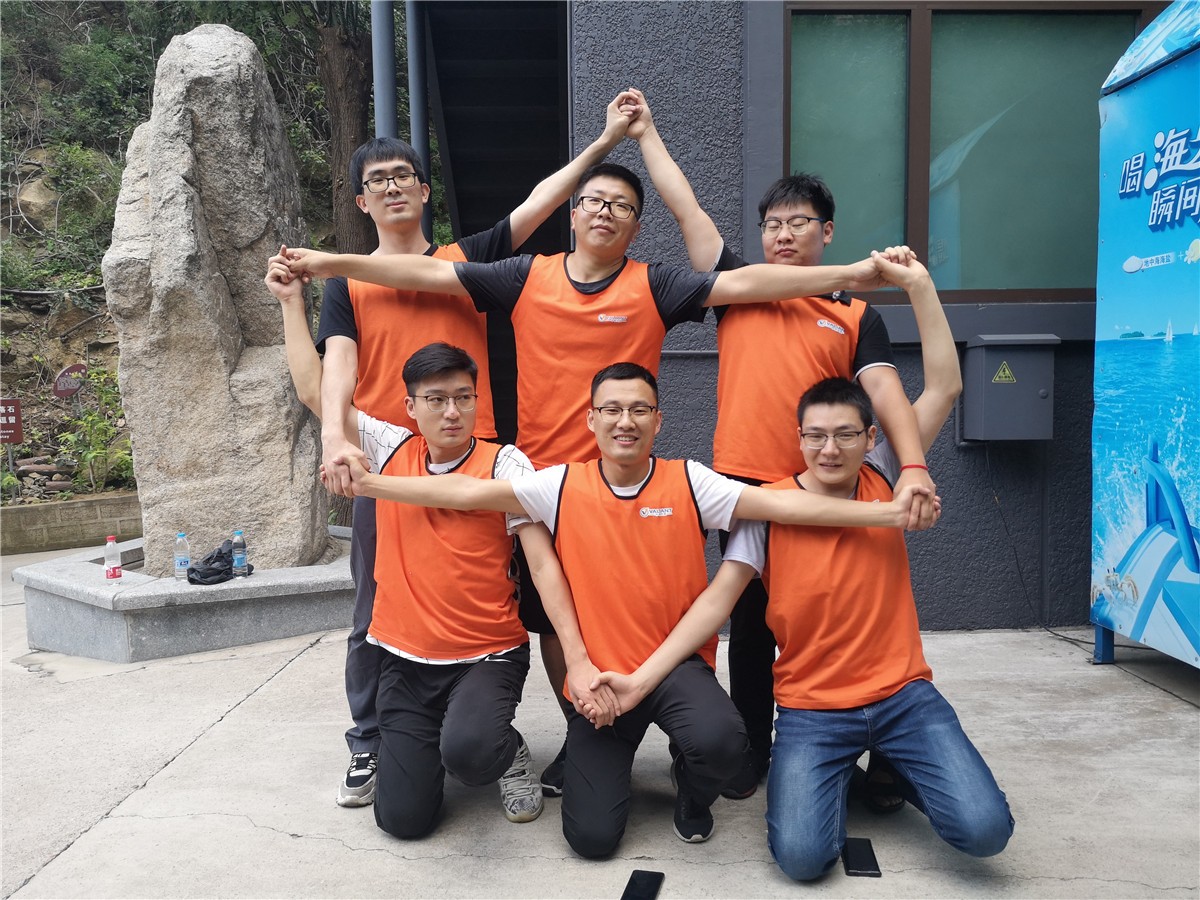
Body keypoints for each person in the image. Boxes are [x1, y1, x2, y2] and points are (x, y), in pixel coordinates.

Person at [283, 150, 909, 797]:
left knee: (659, 611)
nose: (606, 212)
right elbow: (426, 274)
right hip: (548, 487)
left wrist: (857, 275)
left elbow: (742, 283)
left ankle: (689, 732)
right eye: (594, 201)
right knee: (555, 622)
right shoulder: (526, 275)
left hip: (627, 484)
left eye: (622, 207)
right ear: (574, 213)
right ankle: (585, 722)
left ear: (636, 225)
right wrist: (330, 266)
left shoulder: (654, 285)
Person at [325, 353, 934, 859]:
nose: (625, 421)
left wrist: (888, 513)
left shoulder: (690, 481)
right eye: (612, 409)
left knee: (725, 743)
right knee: (590, 840)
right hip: (602, 677)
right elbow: (465, 491)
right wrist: (368, 485)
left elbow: (785, 505)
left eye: (639, 409)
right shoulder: (559, 484)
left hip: (673, 667)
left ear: (658, 420)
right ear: (590, 419)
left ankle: (691, 792)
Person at [589, 253, 1013, 881]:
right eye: (814, 435)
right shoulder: (768, 509)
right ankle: (842, 772)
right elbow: (716, 602)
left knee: (984, 831)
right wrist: (640, 679)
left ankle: (897, 766)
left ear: (872, 439)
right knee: (803, 858)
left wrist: (919, 285)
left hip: (903, 697)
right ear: (798, 438)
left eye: (846, 435)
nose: (829, 449)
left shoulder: (887, 478)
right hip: (813, 711)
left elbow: (945, 387)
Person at [315, 94, 641, 808]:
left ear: (425, 190)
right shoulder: (345, 281)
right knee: (373, 609)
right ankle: (371, 740)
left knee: (501, 593)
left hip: (477, 461)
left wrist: (603, 142)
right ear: (362, 201)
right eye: (377, 180)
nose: (393, 187)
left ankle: (488, 722)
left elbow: (541, 203)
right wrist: (338, 436)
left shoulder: (467, 260)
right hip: (387, 461)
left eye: (404, 176)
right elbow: (336, 365)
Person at [625, 87, 936, 793]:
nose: (783, 235)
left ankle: (867, 744)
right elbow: (685, 208)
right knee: (750, 628)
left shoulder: (855, 314)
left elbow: (887, 397)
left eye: (799, 223)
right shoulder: (738, 287)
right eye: (772, 225)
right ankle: (753, 752)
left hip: (825, 488)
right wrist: (646, 134)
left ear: (828, 231)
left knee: (836, 616)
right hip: (744, 490)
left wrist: (913, 466)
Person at [270, 256, 597, 837]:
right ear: (410, 407)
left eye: (464, 398)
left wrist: (576, 657)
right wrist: (292, 304)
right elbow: (314, 391)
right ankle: (446, 744)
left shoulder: (507, 462)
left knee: (469, 754)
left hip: (487, 655)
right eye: (437, 399)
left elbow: (541, 564)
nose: (453, 412)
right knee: (403, 821)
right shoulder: (390, 445)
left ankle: (504, 750)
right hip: (406, 658)